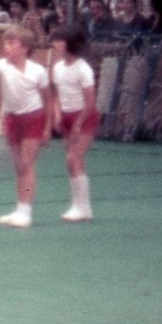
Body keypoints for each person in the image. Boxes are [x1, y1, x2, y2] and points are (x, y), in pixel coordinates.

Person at [0, 26, 52, 228]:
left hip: (33, 118)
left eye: (11, 43)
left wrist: (47, 128)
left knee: (26, 164)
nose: (7, 47)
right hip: (13, 119)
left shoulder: (37, 71)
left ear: (24, 48)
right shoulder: (1, 66)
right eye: (6, 42)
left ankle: (26, 211)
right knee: (18, 166)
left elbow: (48, 100)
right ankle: (20, 209)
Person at [51, 24, 98, 222]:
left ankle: (82, 207)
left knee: (73, 158)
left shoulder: (83, 69)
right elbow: (55, 94)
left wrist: (79, 122)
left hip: (84, 116)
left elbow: (90, 101)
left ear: (69, 44)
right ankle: (80, 206)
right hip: (66, 115)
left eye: (58, 41)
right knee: (73, 162)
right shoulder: (57, 67)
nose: (54, 45)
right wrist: (56, 114)